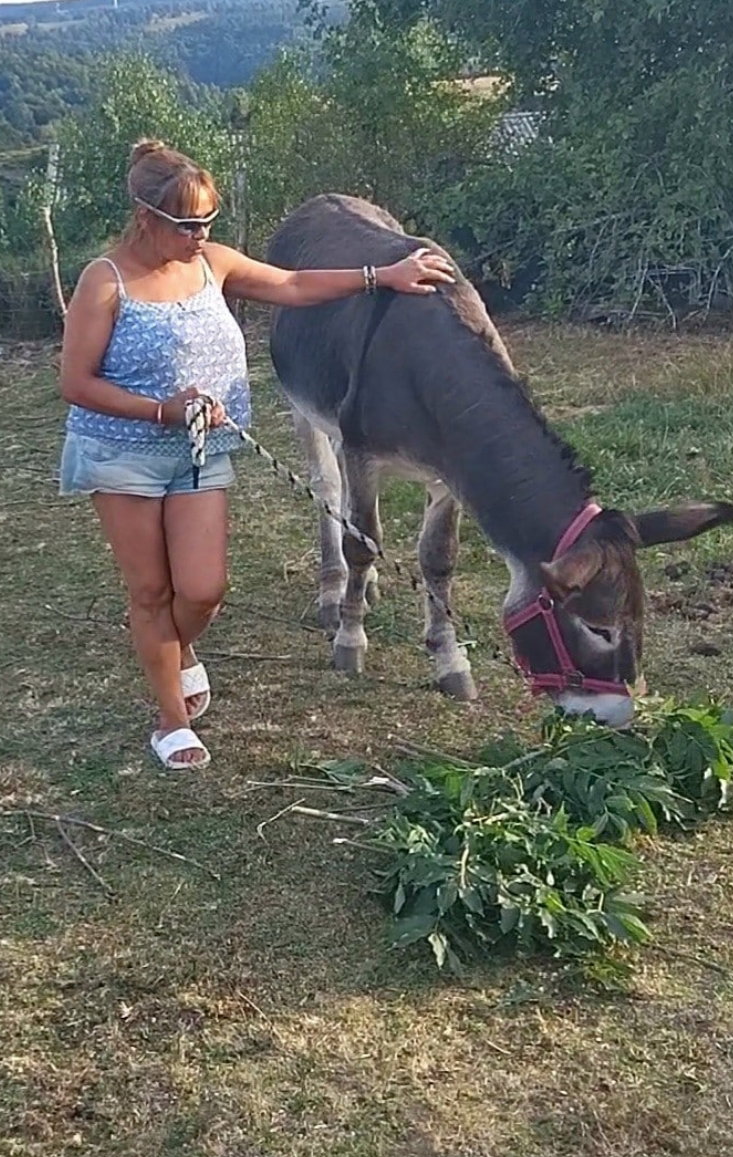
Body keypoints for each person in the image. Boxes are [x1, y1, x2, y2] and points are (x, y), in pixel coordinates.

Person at [58, 137, 455, 770]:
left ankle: (173, 651)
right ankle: (171, 721)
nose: (200, 234)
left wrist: (382, 275)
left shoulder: (212, 263)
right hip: (122, 453)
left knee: (205, 590)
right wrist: (161, 408)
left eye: (207, 222)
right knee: (151, 592)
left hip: (199, 449)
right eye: (187, 224)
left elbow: (295, 284)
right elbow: (74, 383)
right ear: (145, 217)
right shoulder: (104, 282)